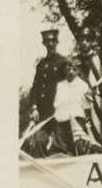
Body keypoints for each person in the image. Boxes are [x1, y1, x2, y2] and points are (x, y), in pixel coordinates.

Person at [23, 29, 68, 157]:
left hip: (58, 112)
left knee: (60, 146)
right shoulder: (41, 65)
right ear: (44, 43)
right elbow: (35, 88)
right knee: (37, 142)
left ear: (57, 42)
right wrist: (34, 107)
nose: (50, 44)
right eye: (47, 41)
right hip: (42, 113)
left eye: (53, 41)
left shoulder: (63, 62)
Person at [49, 57, 100, 155]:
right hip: (61, 121)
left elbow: (87, 107)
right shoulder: (60, 85)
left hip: (77, 121)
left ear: (78, 71)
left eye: (74, 69)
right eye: (68, 69)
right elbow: (56, 104)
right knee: (61, 150)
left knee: (80, 147)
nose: (71, 71)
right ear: (64, 70)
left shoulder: (83, 85)